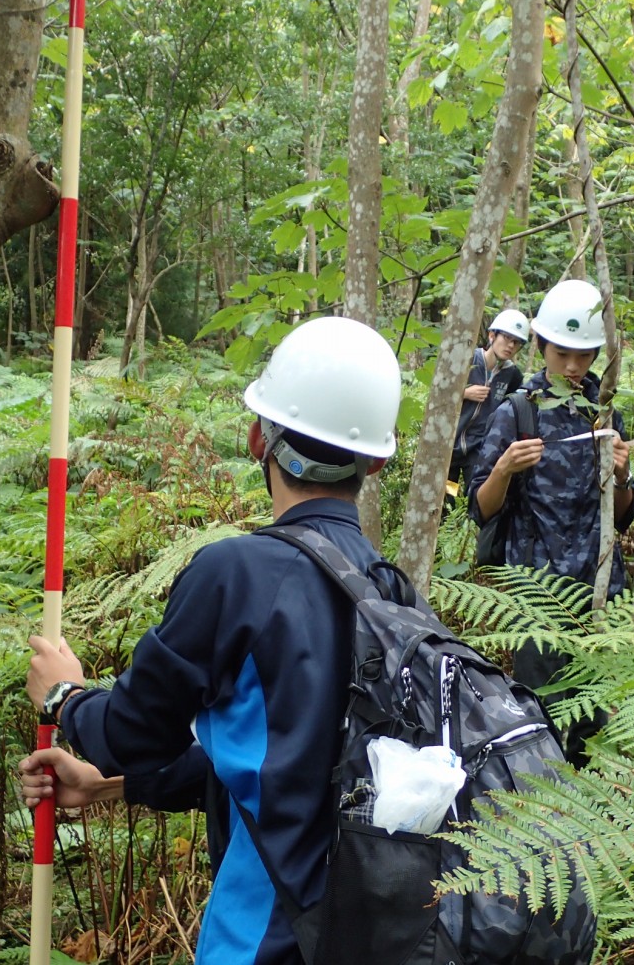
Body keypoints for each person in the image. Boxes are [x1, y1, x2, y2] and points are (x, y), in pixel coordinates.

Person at [24, 316, 403, 965]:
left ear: (259, 439)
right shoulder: (389, 591)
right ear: (373, 460)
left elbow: (136, 732)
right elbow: (291, 757)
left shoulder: (237, 575)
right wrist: (106, 786)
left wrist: (64, 696)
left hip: (264, 936)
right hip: (368, 932)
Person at [469, 279, 634, 766]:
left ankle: (585, 812)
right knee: (538, 713)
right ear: (540, 346)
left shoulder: (604, 413)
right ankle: (539, 812)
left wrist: (623, 476)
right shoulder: (517, 411)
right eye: (561, 352)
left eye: (583, 355)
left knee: (588, 717)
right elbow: (480, 508)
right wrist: (504, 468)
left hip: (597, 590)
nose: (571, 366)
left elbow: (623, 516)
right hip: (536, 591)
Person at [449, 308, 530, 501]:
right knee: (446, 497)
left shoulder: (513, 375)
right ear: (492, 335)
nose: (510, 345)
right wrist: (464, 393)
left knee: (475, 496)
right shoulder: (467, 360)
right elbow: (438, 396)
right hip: (450, 444)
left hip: (479, 447)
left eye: (516, 342)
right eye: (507, 338)